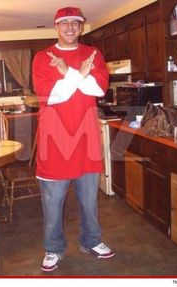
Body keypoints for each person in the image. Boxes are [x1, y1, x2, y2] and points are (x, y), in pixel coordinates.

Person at [32, 6, 114, 272]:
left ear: (81, 27)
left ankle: (92, 241)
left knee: (89, 201)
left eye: (75, 23)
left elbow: (98, 89)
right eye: (64, 23)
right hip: (53, 143)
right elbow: (51, 96)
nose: (70, 27)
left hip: (86, 140)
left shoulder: (93, 54)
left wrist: (68, 73)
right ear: (56, 26)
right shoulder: (43, 58)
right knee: (53, 204)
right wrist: (79, 75)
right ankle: (53, 248)